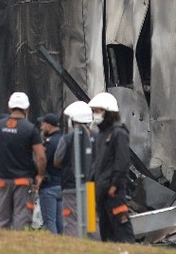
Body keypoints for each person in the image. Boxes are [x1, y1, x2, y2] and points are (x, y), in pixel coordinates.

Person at [0, 91, 45, 230]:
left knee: (2, 217)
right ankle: (18, 245)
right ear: (26, 109)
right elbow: (41, 156)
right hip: (23, 180)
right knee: (21, 216)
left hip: (4, 179)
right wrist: (40, 175)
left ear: (9, 108)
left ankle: (1, 246)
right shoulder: (30, 129)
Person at [89, 91, 135, 243]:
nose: (96, 114)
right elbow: (98, 164)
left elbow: (122, 161)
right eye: (94, 111)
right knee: (106, 230)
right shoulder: (101, 135)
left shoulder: (118, 133)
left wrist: (115, 184)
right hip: (101, 192)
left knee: (122, 227)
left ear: (109, 112)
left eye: (98, 111)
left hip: (113, 192)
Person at [53, 100, 93, 237]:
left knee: (71, 220)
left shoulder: (67, 139)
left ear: (73, 120)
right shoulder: (96, 137)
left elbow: (57, 160)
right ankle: (95, 246)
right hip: (91, 186)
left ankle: (74, 246)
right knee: (92, 220)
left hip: (70, 186)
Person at [37, 113, 64, 234]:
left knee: (49, 222)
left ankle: (54, 247)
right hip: (61, 185)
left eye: (43, 124)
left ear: (49, 125)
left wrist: (39, 176)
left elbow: (42, 160)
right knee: (60, 222)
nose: (41, 127)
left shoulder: (50, 143)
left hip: (49, 187)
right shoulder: (64, 139)